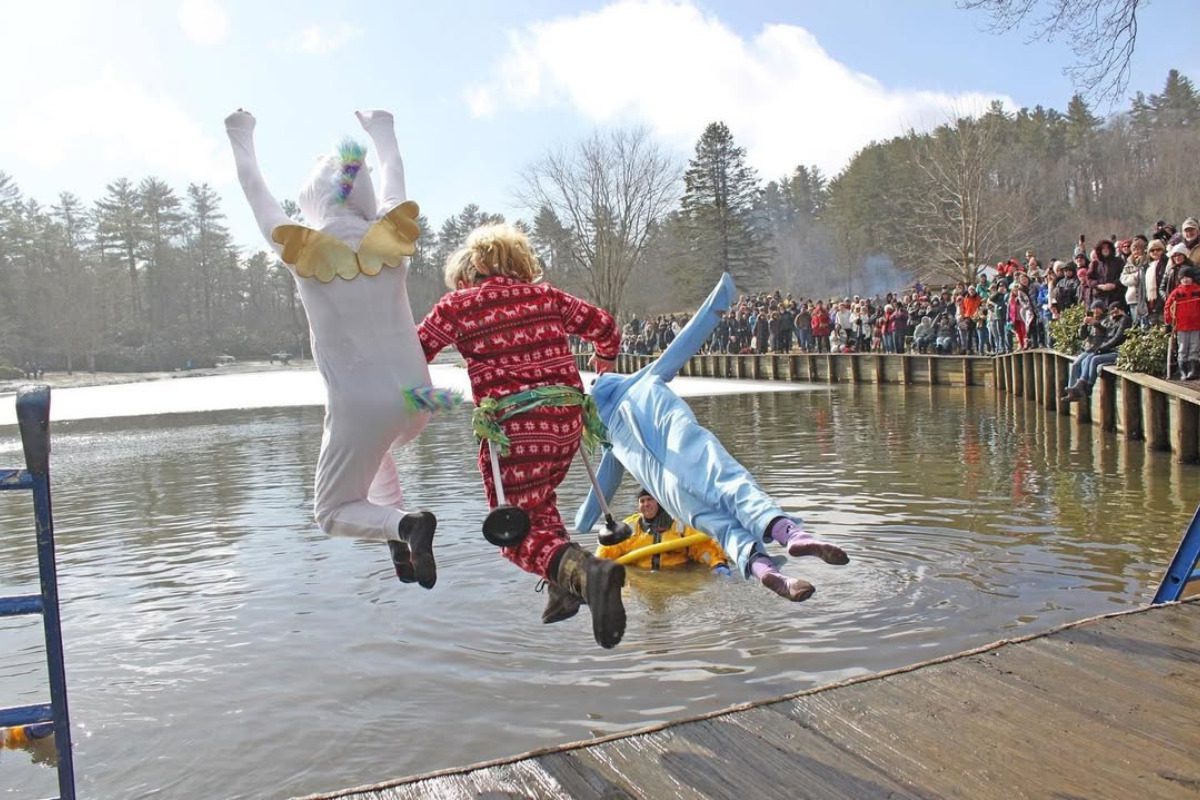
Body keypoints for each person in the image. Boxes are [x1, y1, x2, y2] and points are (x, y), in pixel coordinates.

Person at [225, 108, 439, 588]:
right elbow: (394, 170)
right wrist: (382, 128)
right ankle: (399, 545)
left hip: (361, 405)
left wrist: (240, 133)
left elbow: (252, 186)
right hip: (419, 397)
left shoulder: (301, 248)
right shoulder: (391, 232)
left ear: (311, 200)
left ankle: (405, 526)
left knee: (332, 510)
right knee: (376, 452)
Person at [416, 223, 628, 649]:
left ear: (476, 263)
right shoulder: (547, 297)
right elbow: (606, 328)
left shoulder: (458, 306)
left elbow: (413, 352)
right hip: (568, 423)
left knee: (514, 535)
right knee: (540, 507)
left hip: (515, 428)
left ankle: (588, 574)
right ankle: (564, 591)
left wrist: (404, 394)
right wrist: (603, 368)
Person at [577, 274, 849, 603]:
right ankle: (789, 534)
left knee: (723, 529)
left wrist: (583, 523)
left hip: (671, 494)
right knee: (734, 489)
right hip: (689, 453)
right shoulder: (644, 378)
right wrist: (724, 293)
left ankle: (768, 573)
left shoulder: (612, 445)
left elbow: (592, 507)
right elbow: (690, 337)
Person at [595, 489, 731, 574]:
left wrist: (718, 564)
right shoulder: (628, 528)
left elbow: (704, 548)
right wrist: (595, 570)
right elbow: (607, 551)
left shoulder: (680, 524)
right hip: (640, 578)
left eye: (650, 499)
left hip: (677, 576)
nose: (646, 504)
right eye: (642, 501)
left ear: (659, 502)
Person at [1061, 301, 1131, 401]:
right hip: (1093, 349)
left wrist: (1097, 325)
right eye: (1093, 308)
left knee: (1091, 360)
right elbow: (1082, 336)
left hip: (1108, 350)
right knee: (1078, 363)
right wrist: (1084, 325)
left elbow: (1113, 336)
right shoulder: (1112, 320)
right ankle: (1075, 389)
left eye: (1097, 308)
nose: (1095, 311)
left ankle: (1086, 388)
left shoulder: (1115, 320)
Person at [1164, 266, 1200, 380]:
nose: (1185, 280)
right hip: (1181, 325)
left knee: (1194, 347)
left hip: (1196, 324)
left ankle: (1193, 369)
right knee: (1183, 347)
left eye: (1188, 277)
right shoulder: (1176, 292)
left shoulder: (1198, 291)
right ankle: (1183, 370)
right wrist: (1168, 321)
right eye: (1183, 278)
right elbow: (1168, 306)